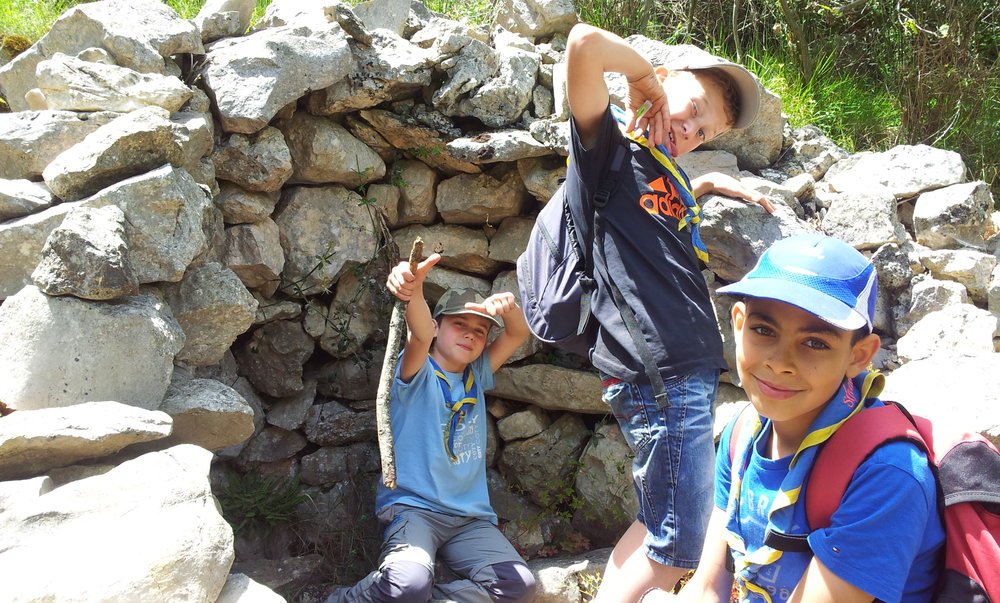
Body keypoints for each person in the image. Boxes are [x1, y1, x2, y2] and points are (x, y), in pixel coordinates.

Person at [563, 22, 775, 600]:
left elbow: (649, 213)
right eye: (693, 108)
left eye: (705, 131)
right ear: (665, 78)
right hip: (660, 368)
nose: (691, 129)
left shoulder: (666, 170)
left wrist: (704, 184)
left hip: (681, 368)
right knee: (680, 544)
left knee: (660, 524)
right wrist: (640, 79)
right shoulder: (608, 144)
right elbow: (583, 43)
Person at [651, 233, 944, 602]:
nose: (779, 363)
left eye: (815, 342)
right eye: (763, 330)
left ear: (859, 356)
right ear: (738, 324)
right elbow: (709, 587)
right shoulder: (742, 436)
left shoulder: (888, 474)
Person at [328, 253, 536, 603]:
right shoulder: (417, 370)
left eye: (480, 331)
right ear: (439, 326)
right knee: (408, 583)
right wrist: (414, 287)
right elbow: (420, 334)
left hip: (469, 518)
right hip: (414, 509)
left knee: (518, 585)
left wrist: (510, 307)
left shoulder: (476, 374)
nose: (470, 334)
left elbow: (518, 332)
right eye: (459, 324)